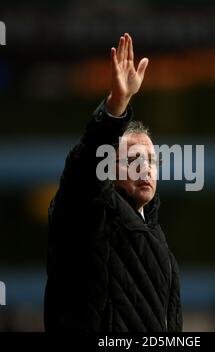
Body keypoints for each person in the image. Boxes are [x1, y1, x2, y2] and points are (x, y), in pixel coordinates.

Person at [44, 33, 182, 332]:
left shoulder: (158, 239)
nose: (145, 168)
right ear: (107, 168)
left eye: (151, 161)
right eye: (133, 161)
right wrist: (116, 106)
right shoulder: (90, 211)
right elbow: (83, 169)